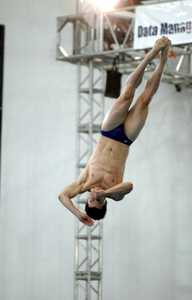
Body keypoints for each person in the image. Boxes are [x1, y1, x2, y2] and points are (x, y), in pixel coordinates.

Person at [58, 37, 171, 226]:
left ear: (86, 199)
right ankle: (164, 58)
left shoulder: (83, 184)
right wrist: (105, 193)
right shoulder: (114, 192)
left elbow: (62, 196)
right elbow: (130, 186)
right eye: (98, 201)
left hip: (108, 131)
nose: (94, 197)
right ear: (104, 204)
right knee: (145, 99)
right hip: (126, 138)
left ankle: (152, 52)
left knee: (127, 94)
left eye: (90, 200)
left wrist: (78, 214)